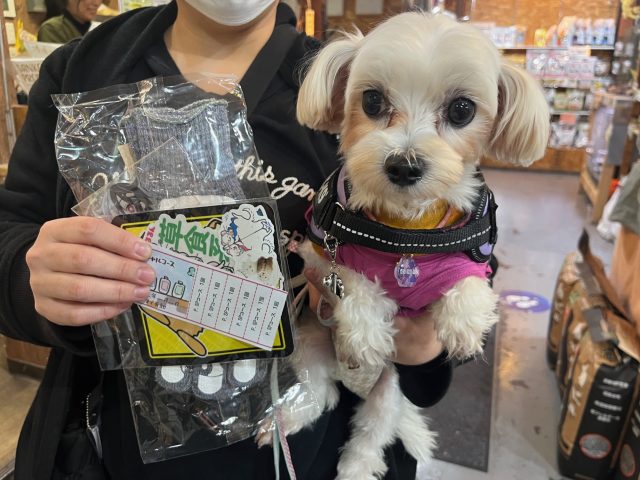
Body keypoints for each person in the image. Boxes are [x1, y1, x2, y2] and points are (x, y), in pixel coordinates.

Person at [0, 1, 452, 478]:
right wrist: (39, 282)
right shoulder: (84, 69)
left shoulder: (355, 91)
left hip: (309, 450)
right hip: (106, 450)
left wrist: (423, 346)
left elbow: (441, 281)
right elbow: (11, 237)